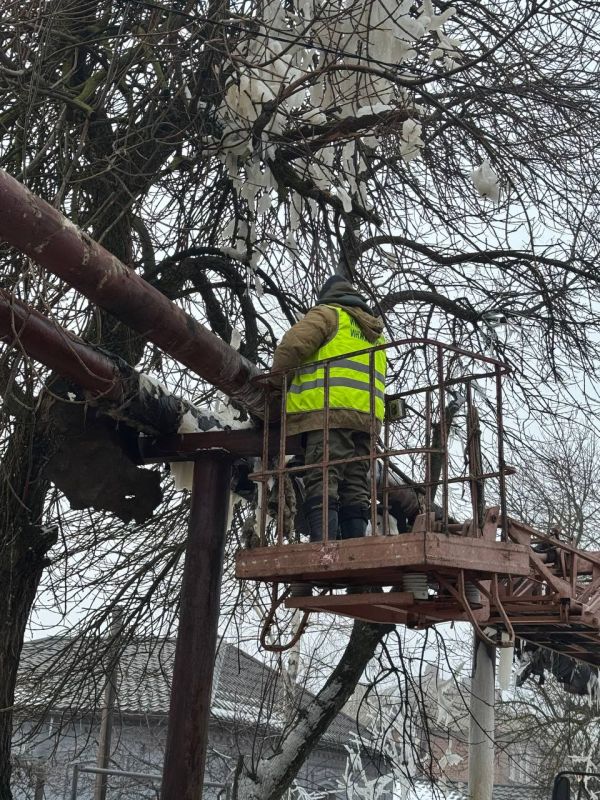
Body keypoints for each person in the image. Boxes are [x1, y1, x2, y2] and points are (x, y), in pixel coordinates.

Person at [271, 275, 387, 544]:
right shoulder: (375, 334)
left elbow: (291, 347)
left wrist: (275, 386)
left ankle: (322, 545)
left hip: (328, 413)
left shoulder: (328, 315)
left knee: (323, 475)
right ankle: (355, 547)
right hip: (366, 420)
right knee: (356, 482)